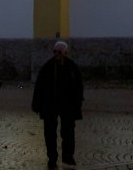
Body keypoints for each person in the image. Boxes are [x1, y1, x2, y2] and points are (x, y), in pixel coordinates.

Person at [32, 39, 84, 169]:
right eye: (55, 52)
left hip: (67, 106)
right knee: (50, 133)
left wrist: (77, 103)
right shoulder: (48, 67)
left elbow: (79, 86)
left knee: (68, 133)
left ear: (65, 53)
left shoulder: (72, 67)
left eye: (59, 52)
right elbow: (39, 87)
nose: (57, 54)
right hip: (50, 106)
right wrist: (37, 104)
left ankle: (67, 157)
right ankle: (52, 158)